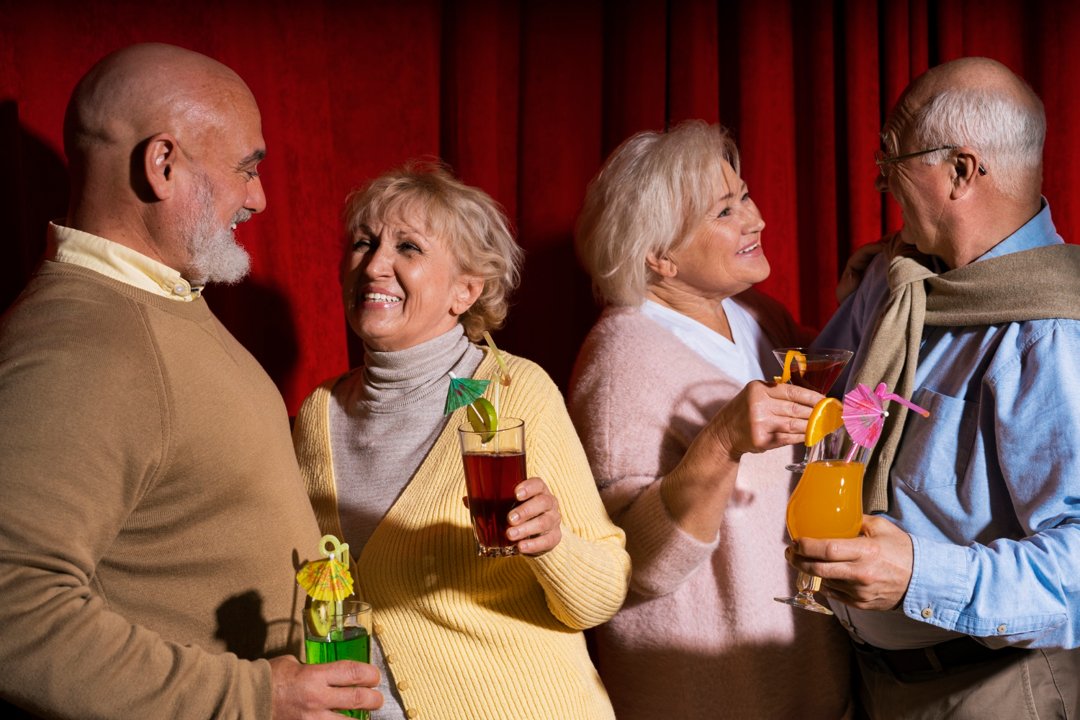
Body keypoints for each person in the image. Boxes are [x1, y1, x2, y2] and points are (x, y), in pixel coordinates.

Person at [0, 43, 382, 718]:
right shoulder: (83, 344)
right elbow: (12, 607)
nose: (259, 198)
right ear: (163, 164)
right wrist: (250, 698)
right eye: (246, 169)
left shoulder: (161, 303)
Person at [291, 161, 631, 720]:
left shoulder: (514, 391)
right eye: (363, 243)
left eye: (409, 248)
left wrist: (553, 545)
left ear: (465, 291)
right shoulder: (318, 414)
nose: (375, 264)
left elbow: (599, 598)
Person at [802, 57, 1080, 718]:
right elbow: (829, 386)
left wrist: (917, 577)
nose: (881, 182)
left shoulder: (1051, 336)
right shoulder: (898, 283)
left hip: (996, 689)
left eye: (894, 159)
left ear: (961, 170)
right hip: (871, 680)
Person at [566, 120, 853, 719]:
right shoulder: (622, 358)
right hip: (709, 696)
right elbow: (628, 566)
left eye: (744, 195)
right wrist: (722, 441)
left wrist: (867, 290)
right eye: (725, 211)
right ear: (659, 255)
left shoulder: (759, 319)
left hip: (806, 678)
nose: (757, 219)